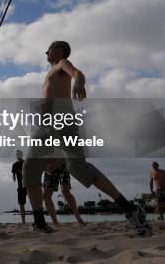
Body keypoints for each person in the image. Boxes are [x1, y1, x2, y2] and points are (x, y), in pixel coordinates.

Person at [22, 41, 151, 235]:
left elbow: (77, 72)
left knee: (65, 168)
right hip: (48, 126)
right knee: (37, 169)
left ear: (59, 50)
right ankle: (40, 223)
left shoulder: (62, 63)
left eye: (49, 47)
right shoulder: (49, 74)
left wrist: (79, 82)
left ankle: (130, 209)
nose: (46, 51)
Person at [42, 159, 85, 226]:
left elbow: (65, 151)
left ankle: (79, 219)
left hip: (62, 165)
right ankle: (55, 223)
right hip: (49, 167)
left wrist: (56, 164)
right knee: (46, 195)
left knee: (65, 191)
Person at [11, 150, 27, 224]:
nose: (18, 155)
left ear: (22, 154)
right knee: (21, 204)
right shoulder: (15, 165)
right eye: (17, 154)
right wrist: (14, 177)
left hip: (29, 184)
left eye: (20, 154)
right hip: (20, 186)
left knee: (34, 201)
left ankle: (38, 219)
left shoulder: (26, 162)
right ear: (16, 155)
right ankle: (23, 221)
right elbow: (14, 175)